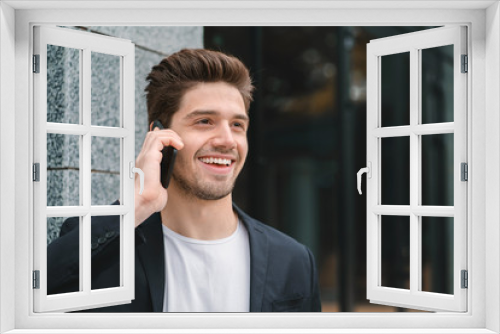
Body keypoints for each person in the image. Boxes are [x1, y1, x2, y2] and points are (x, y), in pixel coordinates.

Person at [47, 49, 322, 312]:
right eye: (204, 121)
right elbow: (27, 300)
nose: (227, 140)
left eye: (238, 125)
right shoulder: (105, 246)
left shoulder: (293, 260)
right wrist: (135, 205)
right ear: (159, 136)